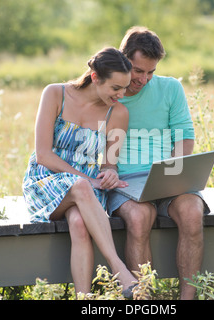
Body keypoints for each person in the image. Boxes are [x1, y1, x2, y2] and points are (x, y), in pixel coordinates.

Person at [22, 47, 136, 297]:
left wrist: (110, 175)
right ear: (95, 77)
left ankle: (84, 299)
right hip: (45, 180)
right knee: (81, 188)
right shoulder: (55, 94)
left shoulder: (118, 113)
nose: (121, 94)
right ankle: (119, 269)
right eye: (115, 88)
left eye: (125, 88)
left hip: (86, 190)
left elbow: (108, 163)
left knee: (78, 222)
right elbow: (43, 154)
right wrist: (88, 181)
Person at [106, 27, 210, 300]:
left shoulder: (171, 88)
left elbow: (184, 135)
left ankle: (187, 298)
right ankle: (144, 300)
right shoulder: (109, 93)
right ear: (123, 58)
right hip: (126, 181)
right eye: (138, 71)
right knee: (140, 218)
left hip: (167, 175)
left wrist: (176, 172)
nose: (144, 79)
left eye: (150, 72)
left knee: (192, 212)